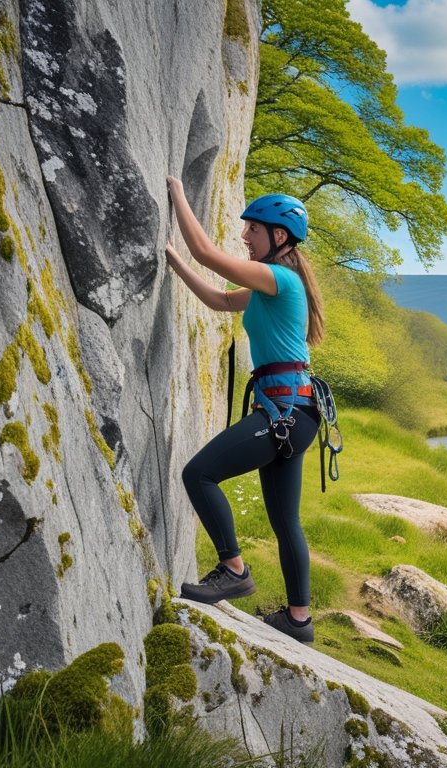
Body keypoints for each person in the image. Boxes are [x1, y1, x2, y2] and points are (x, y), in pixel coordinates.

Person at [165, 177, 323, 643]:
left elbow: (209, 254)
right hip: (296, 413)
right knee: (285, 521)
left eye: (252, 229)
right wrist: (174, 261)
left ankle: (233, 569)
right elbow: (217, 299)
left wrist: (177, 187)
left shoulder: (279, 278)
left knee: (198, 474)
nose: (244, 236)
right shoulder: (267, 286)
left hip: (286, 412)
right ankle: (299, 621)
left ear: (278, 237)